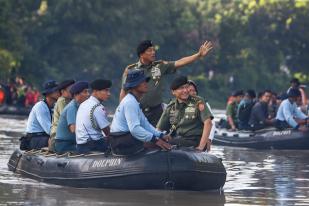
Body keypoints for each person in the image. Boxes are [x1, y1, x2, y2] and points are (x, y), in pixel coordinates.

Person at [119, 40, 213, 126]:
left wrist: (198, 55)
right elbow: (124, 91)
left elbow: (179, 62)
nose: (153, 52)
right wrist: (121, 112)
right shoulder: (131, 69)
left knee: (157, 138)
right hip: (137, 111)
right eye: (149, 51)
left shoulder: (160, 66)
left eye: (153, 50)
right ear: (141, 54)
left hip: (157, 112)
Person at [110, 70, 171, 155]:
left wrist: (161, 135)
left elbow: (145, 124)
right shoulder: (130, 102)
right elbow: (135, 129)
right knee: (156, 145)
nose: (146, 84)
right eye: (142, 82)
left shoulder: (134, 101)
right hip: (121, 141)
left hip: (125, 138)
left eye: (145, 81)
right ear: (134, 85)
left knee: (160, 141)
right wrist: (155, 140)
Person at [157, 76, 213, 152]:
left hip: (194, 140)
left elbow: (208, 123)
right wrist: (157, 139)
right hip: (178, 139)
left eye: (186, 87)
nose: (185, 90)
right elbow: (159, 128)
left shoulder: (198, 101)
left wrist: (201, 147)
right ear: (173, 92)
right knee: (154, 143)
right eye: (181, 88)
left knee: (168, 143)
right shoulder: (171, 106)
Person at [75, 79, 112, 154]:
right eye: (106, 90)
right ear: (95, 91)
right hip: (93, 145)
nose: (109, 94)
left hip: (80, 145)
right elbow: (107, 132)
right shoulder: (97, 107)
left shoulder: (83, 104)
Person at [23, 80, 60, 150]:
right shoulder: (40, 107)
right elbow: (49, 130)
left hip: (43, 136)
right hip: (34, 139)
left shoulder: (54, 106)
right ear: (49, 93)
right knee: (58, 141)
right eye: (56, 91)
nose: (59, 93)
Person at [54, 81, 89, 154]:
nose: (88, 94)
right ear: (76, 94)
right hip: (64, 145)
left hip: (71, 143)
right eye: (85, 92)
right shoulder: (72, 107)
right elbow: (73, 129)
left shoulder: (79, 106)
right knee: (90, 149)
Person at [49, 79, 75, 151]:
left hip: (64, 136)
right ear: (63, 91)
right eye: (70, 90)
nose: (73, 92)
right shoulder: (62, 101)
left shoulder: (70, 102)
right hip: (57, 138)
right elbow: (66, 118)